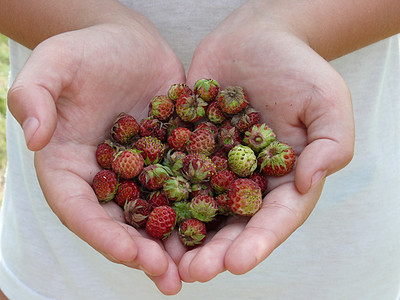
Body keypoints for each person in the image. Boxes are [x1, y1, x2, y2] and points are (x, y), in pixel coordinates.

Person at [0, 0, 399, 299]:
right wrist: (91, 23)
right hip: (63, 261)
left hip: (340, 253)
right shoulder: (155, 160)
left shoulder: (204, 158)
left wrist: (288, 26)